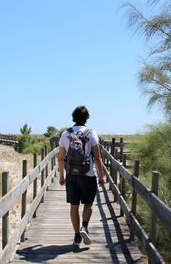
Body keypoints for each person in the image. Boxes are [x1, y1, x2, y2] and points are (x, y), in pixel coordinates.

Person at [58, 105, 105, 246]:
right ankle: (84, 226)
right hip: (88, 174)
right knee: (89, 203)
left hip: (72, 175)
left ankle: (77, 236)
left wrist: (62, 175)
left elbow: (60, 158)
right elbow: (97, 158)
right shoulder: (91, 133)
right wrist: (101, 176)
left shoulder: (66, 134)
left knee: (74, 205)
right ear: (87, 118)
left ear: (73, 117)